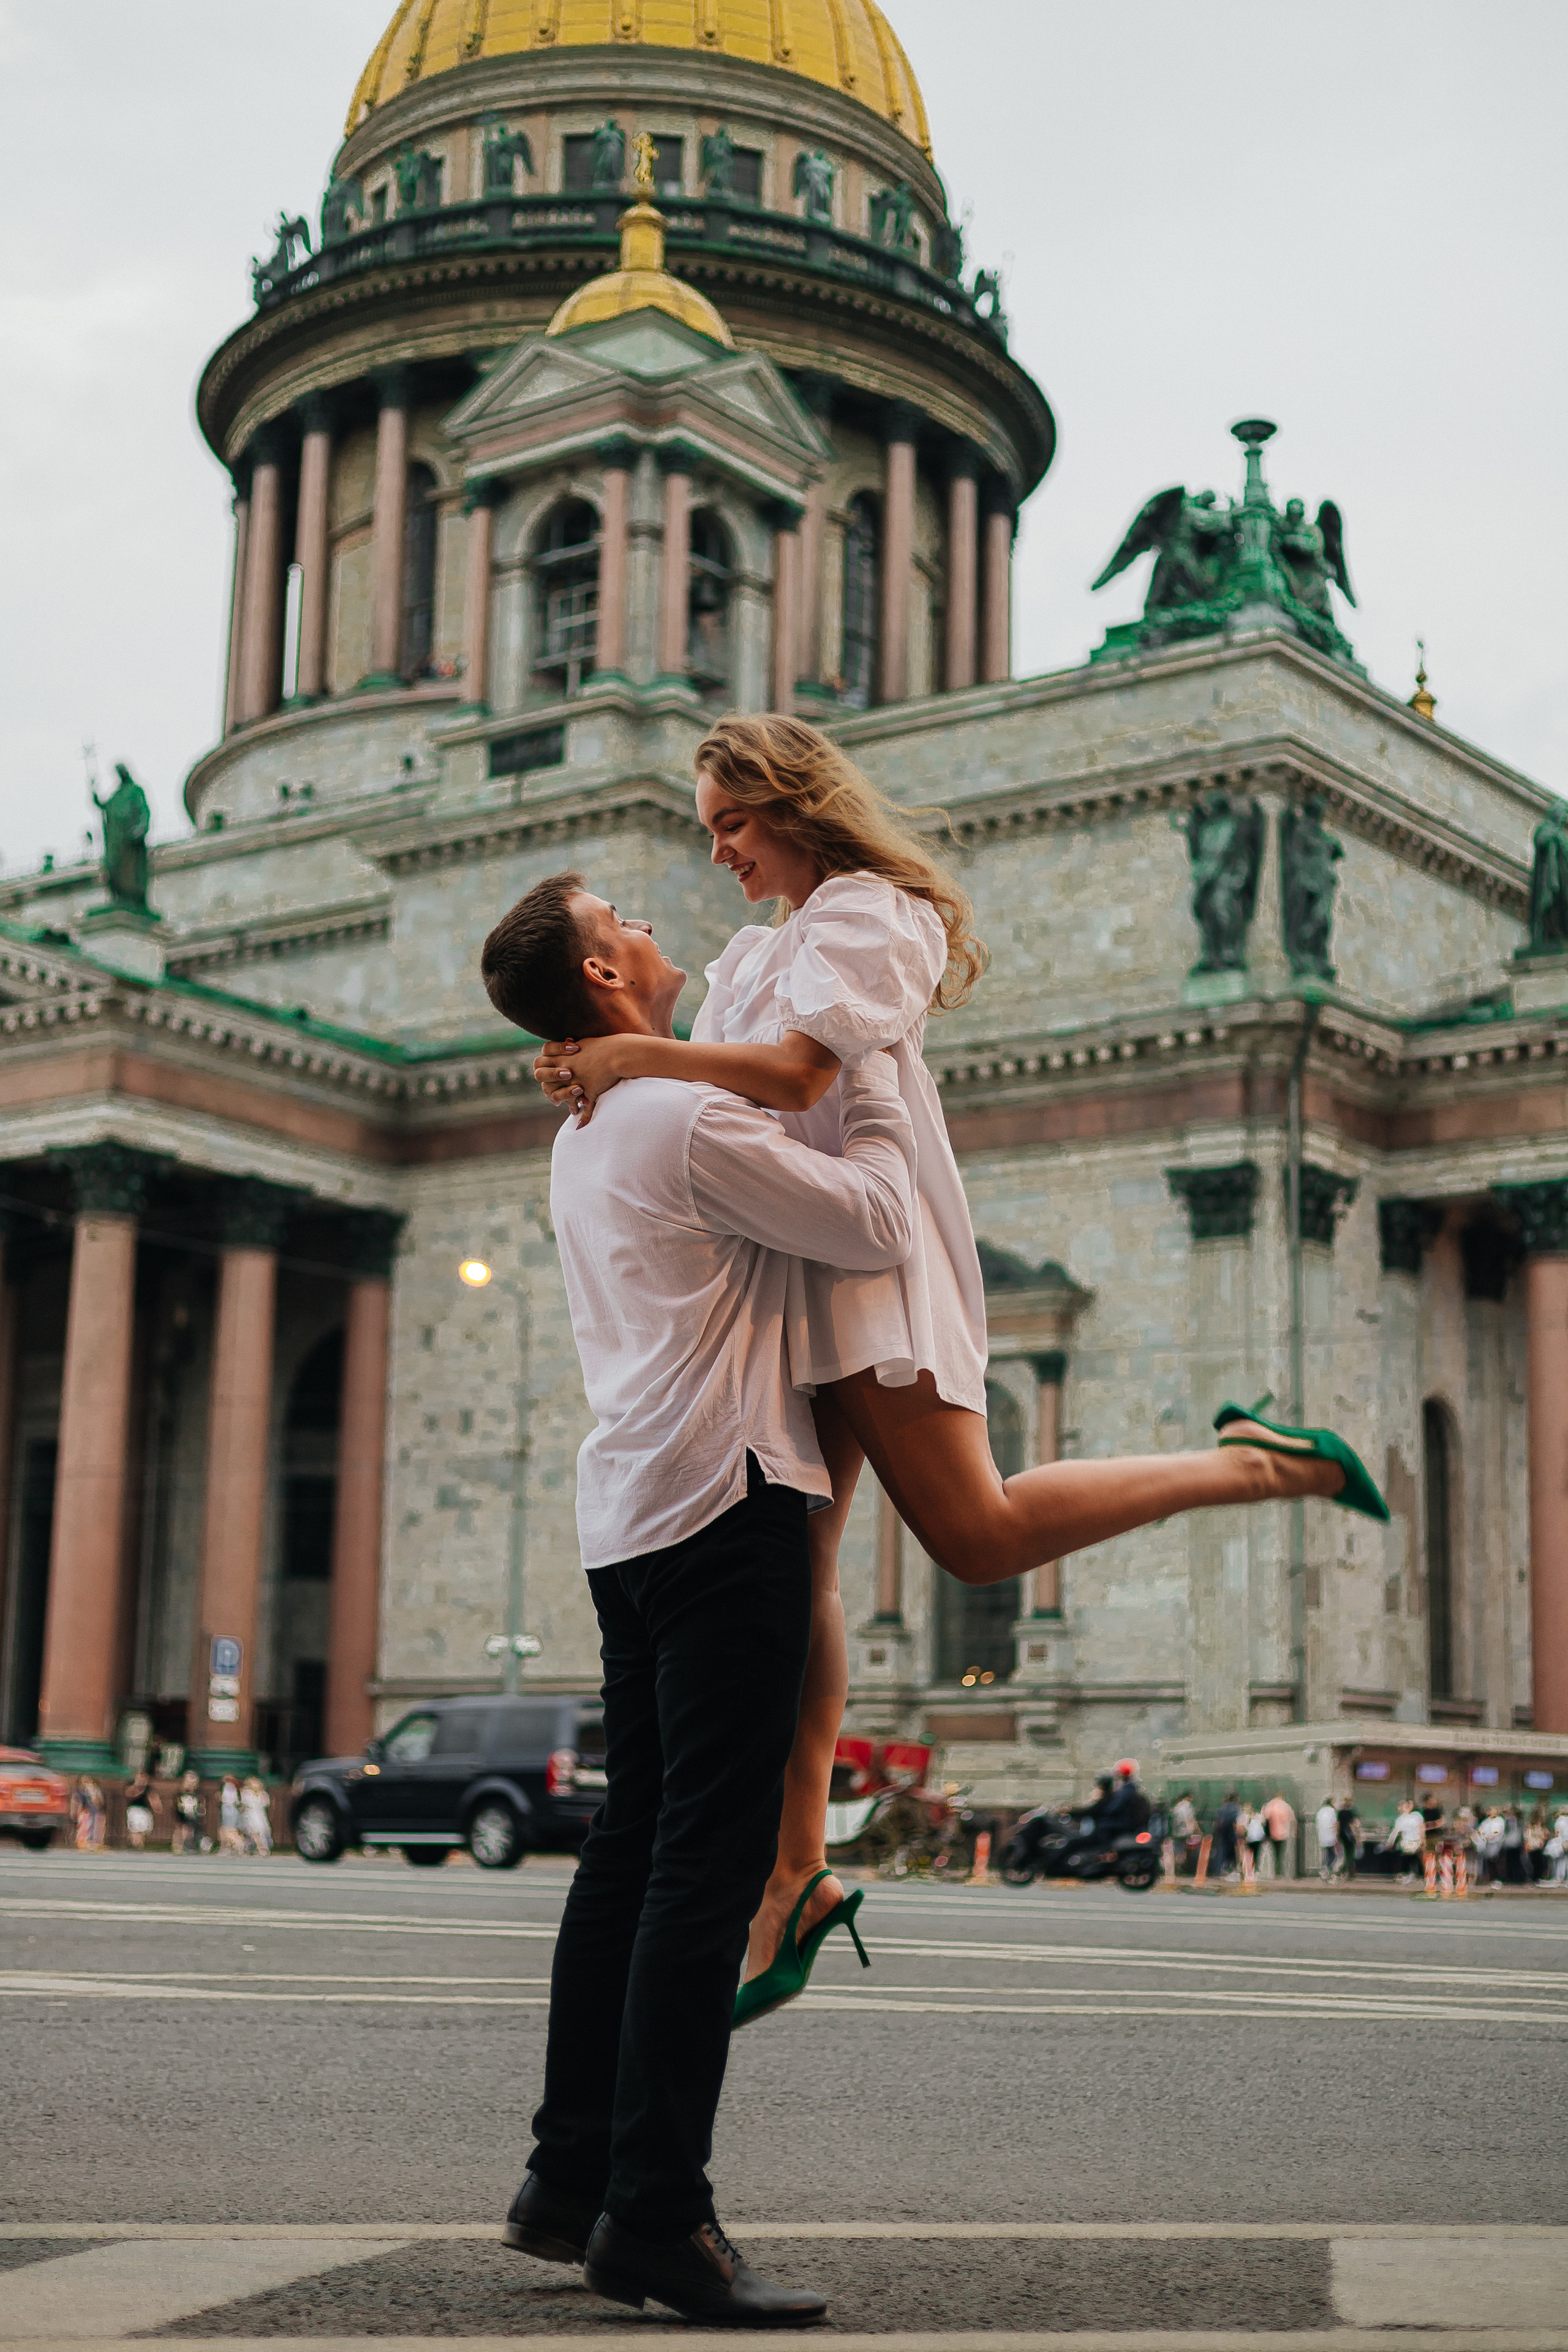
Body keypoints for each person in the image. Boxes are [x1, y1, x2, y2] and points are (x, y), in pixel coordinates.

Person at [532, 714, 1388, 2000]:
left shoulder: (872, 915)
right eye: (705, 829)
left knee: (975, 1536)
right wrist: (595, 1068)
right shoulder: (758, 948)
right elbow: (715, 1105)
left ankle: (1254, 1465)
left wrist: (633, 1053)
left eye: (729, 824)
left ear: (791, 804)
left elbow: (786, 1073)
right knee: (806, 1563)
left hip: (866, 1258)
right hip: (794, 1260)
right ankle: (797, 1870)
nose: (714, 854)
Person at [480, 869, 921, 2324]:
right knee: (700, 1864)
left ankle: (567, 2175)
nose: (664, 933)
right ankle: (656, 2210)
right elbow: (868, 1221)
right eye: (633, 924)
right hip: (730, 1498)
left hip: (631, 1518)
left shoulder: (591, 1126)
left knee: (630, 1849)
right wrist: (856, 1061)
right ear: (607, 974)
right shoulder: (676, 1114)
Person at [1261, 1790, 1297, 1880]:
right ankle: (1282, 1872)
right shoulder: (1285, 1806)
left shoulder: (1269, 1805)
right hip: (1283, 1833)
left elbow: (1264, 1819)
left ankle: (1274, 1872)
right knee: (1282, 1853)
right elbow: (1292, 1819)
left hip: (1271, 1834)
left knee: (1273, 1854)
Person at [1389, 1798, 1427, 1883]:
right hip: (1406, 1842)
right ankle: (1406, 1875)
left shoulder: (1416, 1816)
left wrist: (1422, 1839)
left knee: (1417, 1858)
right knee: (1406, 1858)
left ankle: (1420, 1876)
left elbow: (1421, 1828)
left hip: (1415, 1840)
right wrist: (1391, 1842)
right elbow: (1396, 1831)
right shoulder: (1400, 1819)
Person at [172, 1770, 205, 1855]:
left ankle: (186, 1845)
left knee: (189, 1830)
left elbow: (200, 1801)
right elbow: (179, 1798)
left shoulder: (196, 1793)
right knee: (181, 1828)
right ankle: (178, 1846)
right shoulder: (183, 1791)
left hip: (191, 1812)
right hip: (183, 1811)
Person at [124, 1772, 159, 1852]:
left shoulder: (149, 1789)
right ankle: (134, 1846)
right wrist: (138, 1786)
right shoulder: (131, 1786)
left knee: (143, 1831)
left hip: (145, 1811)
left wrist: (156, 1806)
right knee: (135, 1830)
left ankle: (139, 1847)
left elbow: (153, 1799)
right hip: (135, 1810)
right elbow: (130, 1795)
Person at [1211, 1790, 1242, 1879]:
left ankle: (1218, 1871)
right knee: (1233, 1853)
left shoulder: (1222, 1808)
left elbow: (1217, 1820)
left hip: (1221, 1833)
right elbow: (1236, 1821)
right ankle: (1234, 1870)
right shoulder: (1236, 1808)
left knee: (1221, 1852)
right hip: (1231, 1832)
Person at [240, 1777, 273, 1856]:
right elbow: (244, 1804)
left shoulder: (263, 1794)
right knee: (254, 1833)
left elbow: (266, 1804)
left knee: (261, 1832)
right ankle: (259, 1848)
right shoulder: (246, 1793)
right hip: (250, 1815)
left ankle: (264, 1848)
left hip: (259, 1815)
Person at [1314, 1796, 1340, 1879]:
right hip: (1331, 1836)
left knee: (1326, 1854)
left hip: (1322, 1837)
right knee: (1332, 1856)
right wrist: (1337, 1836)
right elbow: (1335, 1824)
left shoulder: (1320, 1811)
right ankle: (1325, 1869)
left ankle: (1325, 1869)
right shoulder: (1332, 1811)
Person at [1336, 1796, 1360, 1880]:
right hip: (1349, 1834)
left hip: (1342, 1834)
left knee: (1346, 1853)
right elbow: (1354, 1825)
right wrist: (1357, 1838)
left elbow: (1338, 1824)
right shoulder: (1352, 1812)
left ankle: (1344, 1871)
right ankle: (1348, 1872)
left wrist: (1338, 1837)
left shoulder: (1340, 1812)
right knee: (1350, 1854)